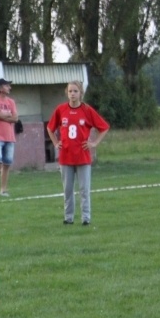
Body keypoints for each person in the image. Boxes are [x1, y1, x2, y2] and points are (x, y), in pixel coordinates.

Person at [47, 80, 110, 226]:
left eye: (75, 91)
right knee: (68, 190)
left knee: (84, 189)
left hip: (82, 156)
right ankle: (68, 218)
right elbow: (50, 128)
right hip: (66, 156)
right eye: (70, 91)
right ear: (67, 93)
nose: (72, 94)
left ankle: (85, 218)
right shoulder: (60, 109)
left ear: (81, 93)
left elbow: (104, 127)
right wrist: (56, 143)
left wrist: (94, 143)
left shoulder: (87, 110)